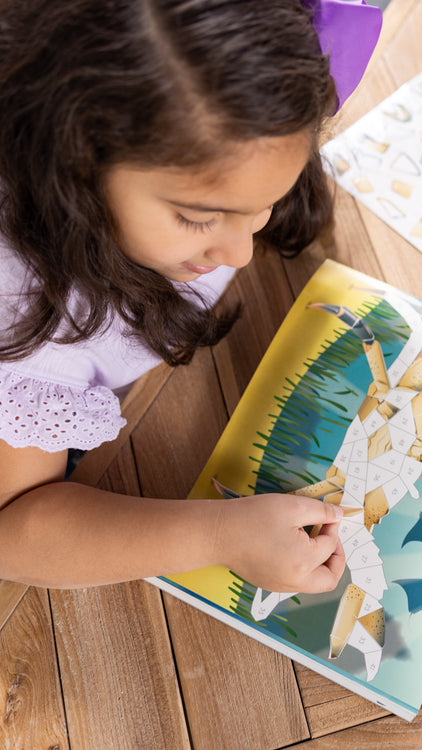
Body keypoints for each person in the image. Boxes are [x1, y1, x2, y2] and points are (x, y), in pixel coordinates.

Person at [0, 0, 382, 591]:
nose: (239, 254)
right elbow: (17, 533)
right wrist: (217, 536)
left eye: (263, 206)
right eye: (199, 217)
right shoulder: (21, 319)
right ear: (72, 163)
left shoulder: (232, 98)